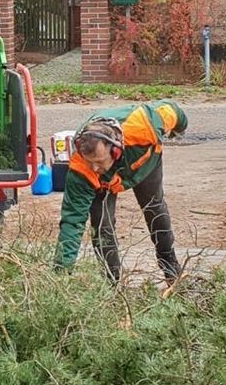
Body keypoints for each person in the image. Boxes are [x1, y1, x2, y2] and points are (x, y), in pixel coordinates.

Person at [54, 101, 188, 284]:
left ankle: (171, 269)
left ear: (115, 150)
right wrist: (61, 273)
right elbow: (72, 221)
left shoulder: (143, 125)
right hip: (105, 184)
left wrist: (178, 130)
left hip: (143, 163)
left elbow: (174, 111)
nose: (94, 167)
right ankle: (112, 282)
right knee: (102, 227)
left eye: (99, 161)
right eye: (91, 162)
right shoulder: (83, 168)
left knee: (154, 209)